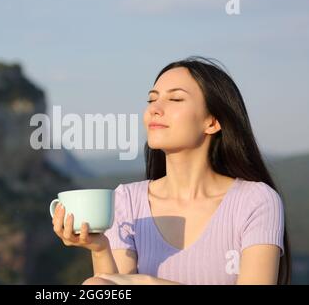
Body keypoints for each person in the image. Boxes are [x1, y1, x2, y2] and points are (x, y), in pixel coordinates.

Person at [51, 56, 291, 285]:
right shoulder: (127, 200)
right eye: (152, 99)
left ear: (212, 122)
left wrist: (147, 281)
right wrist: (100, 247)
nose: (154, 109)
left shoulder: (256, 201)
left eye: (175, 99)